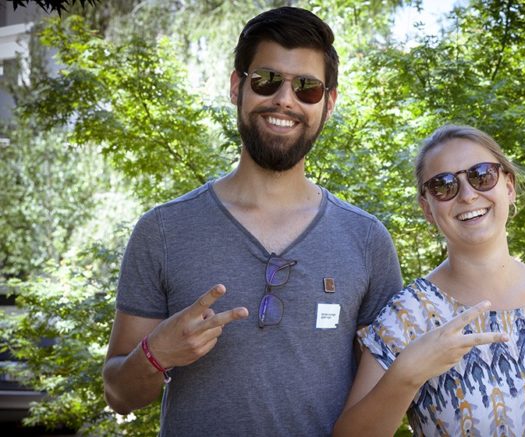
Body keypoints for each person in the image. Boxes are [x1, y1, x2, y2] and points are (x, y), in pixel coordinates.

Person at [102, 7, 403, 436]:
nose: (285, 99)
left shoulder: (366, 239)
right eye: (266, 80)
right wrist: (156, 353)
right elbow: (118, 394)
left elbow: (383, 397)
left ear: (328, 104)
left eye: (307, 88)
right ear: (236, 86)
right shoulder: (163, 230)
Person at [334, 125, 525, 436]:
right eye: (443, 185)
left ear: (509, 186)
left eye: (481, 175)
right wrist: (407, 374)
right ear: (427, 208)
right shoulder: (408, 317)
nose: (467, 195)